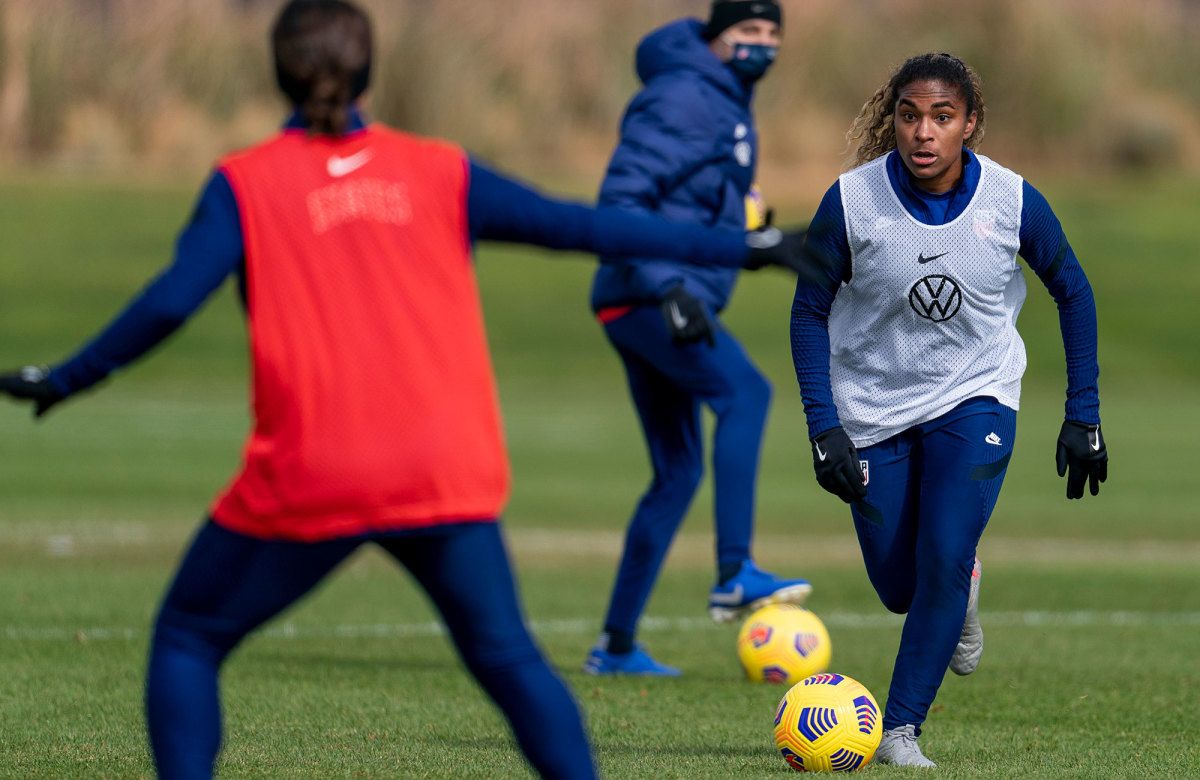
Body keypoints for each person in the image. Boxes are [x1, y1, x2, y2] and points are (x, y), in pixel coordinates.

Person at [0, 2, 807, 778]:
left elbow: (171, 301)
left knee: (187, 637)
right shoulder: (437, 170)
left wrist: (68, 378)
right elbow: (586, 226)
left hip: (316, 470)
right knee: (508, 659)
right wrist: (747, 246)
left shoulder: (245, 183)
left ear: (278, 73)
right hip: (441, 471)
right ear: (369, 73)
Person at [789, 53, 1109, 766]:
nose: (923, 133)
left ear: (971, 122)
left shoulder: (1012, 200)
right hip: (871, 409)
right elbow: (808, 311)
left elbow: (1074, 290)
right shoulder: (851, 202)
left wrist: (1081, 411)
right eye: (909, 115)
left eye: (941, 117)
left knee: (942, 552)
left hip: (976, 395)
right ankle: (960, 587)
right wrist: (824, 427)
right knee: (900, 587)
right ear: (892, 119)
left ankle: (901, 729)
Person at [583, 0, 812, 678]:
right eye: (747, 32)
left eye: (772, 33)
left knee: (677, 473)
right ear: (714, 40)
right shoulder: (686, 95)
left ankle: (615, 647)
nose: (761, 44)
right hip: (648, 295)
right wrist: (670, 287)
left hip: (645, 297)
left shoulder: (724, 99)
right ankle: (735, 569)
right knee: (746, 393)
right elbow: (619, 202)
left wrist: (758, 241)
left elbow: (694, 203)